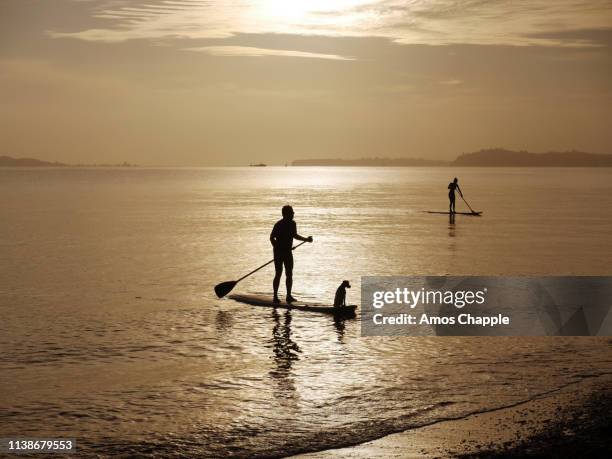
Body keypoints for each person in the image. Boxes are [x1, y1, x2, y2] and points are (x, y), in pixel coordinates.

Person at [270, 205, 313, 303]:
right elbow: (272, 237)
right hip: (278, 252)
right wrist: (276, 247)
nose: (293, 214)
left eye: (293, 213)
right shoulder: (279, 224)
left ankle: (288, 296)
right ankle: (275, 297)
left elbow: (295, 235)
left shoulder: (293, 224)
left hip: (288, 252)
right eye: (291, 213)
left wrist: (306, 239)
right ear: (285, 214)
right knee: (278, 273)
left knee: (289, 274)